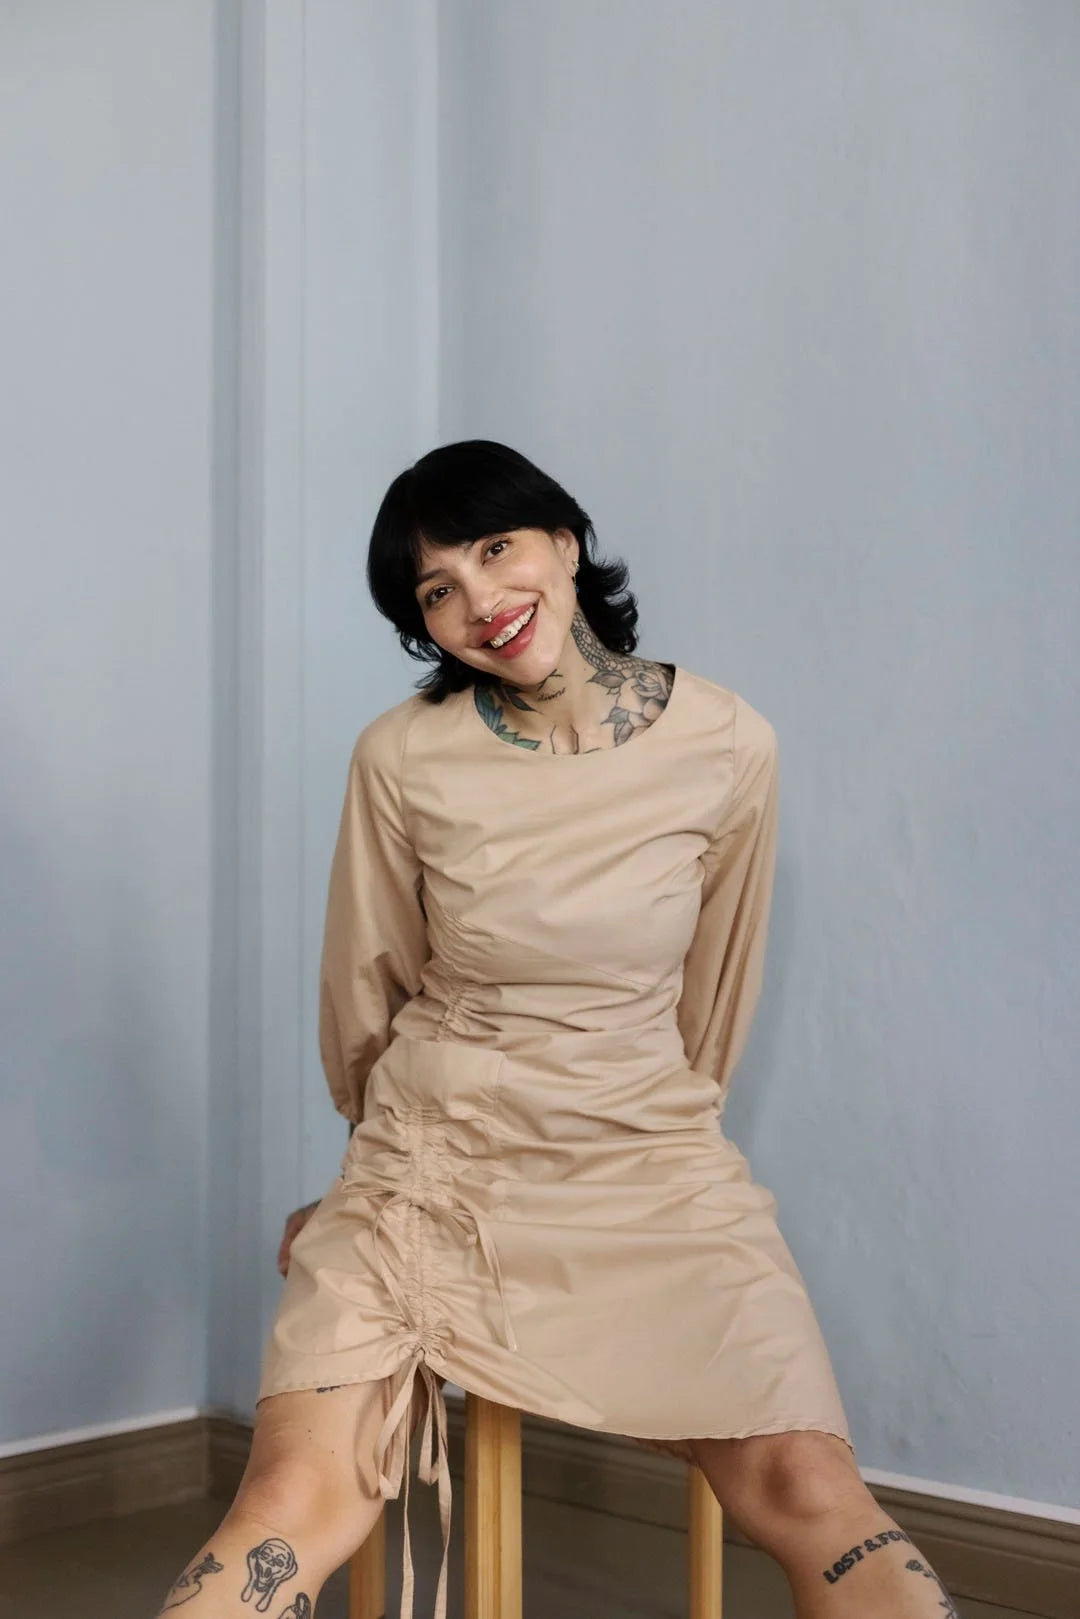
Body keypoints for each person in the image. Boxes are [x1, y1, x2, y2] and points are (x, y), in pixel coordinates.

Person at [155, 441, 959, 1619]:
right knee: (290, 1498)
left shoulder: (729, 743)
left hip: (648, 1164)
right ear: (426, 627)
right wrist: (366, 1178)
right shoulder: (401, 755)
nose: (479, 599)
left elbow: (713, 999)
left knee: (809, 1482)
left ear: (564, 543)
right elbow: (367, 995)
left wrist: (655, 1144)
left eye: (495, 549)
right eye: (436, 590)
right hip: (430, 1171)